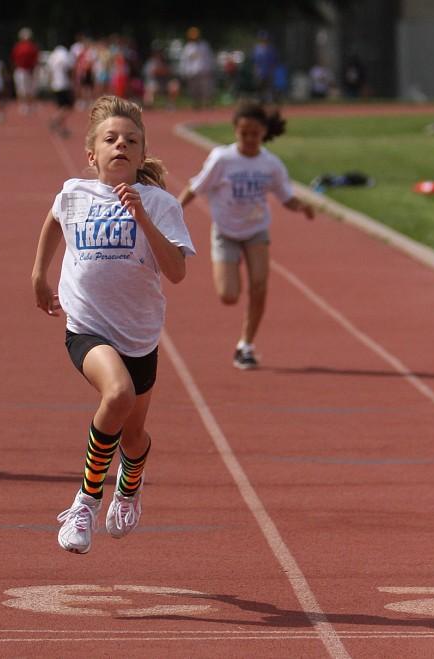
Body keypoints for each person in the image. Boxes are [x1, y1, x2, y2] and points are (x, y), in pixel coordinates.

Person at [31, 95, 195, 554]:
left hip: (139, 333)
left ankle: (130, 485)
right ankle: (84, 501)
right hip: (86, 327)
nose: (121, 144)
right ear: (92, 155)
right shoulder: (74, 193)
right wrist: (38, 275)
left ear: (142, 155)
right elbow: (53, 221)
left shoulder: (160, 203)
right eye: (111, 138)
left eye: (131, 140)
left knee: (134, 433)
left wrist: (141, 216)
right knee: (118, 394)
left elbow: (177, 272)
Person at [177, 101, 314, 370]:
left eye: (255, 133)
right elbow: (196, 187)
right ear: (235, 132)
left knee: (260, 286)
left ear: (263, 132)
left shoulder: (271, 164)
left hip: (256, 230)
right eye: (244, 134)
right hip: (225, 232)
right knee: (229, 296)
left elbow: (286, 197)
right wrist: (172, 210)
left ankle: (246, 345)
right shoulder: (222, 159)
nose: (250, 139)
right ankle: (232, 281)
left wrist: (302, 207)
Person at [179, 27, 215, 109]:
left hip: (204, 72)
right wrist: (183, 71)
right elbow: (184, 61)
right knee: (193, 90)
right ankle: (196, 104)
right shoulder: (188, 47)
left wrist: (211, 69)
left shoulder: (204, 45)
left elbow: (210, 58)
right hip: (192, 73)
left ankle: (207, 104)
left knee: (206, 90)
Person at [46, 43, 75, 137]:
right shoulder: (65, 56)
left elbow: (49, 71)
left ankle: (62, 128)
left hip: (55, 85)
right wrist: (72, 82)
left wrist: (50, 83)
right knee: (68, 106)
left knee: (61, 106)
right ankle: (55, 119)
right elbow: (69, 70)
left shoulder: (52, 57)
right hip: (64, 84)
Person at [11, 27, 39, 115]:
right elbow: (14, 59)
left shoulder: (32, 47)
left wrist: (33, 69)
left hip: (29, 70)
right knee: (22, 89)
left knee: (29, 89)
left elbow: (35, 59)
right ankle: (24, 105)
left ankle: (29, 105)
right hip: (21, 70)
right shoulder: (18, 47)